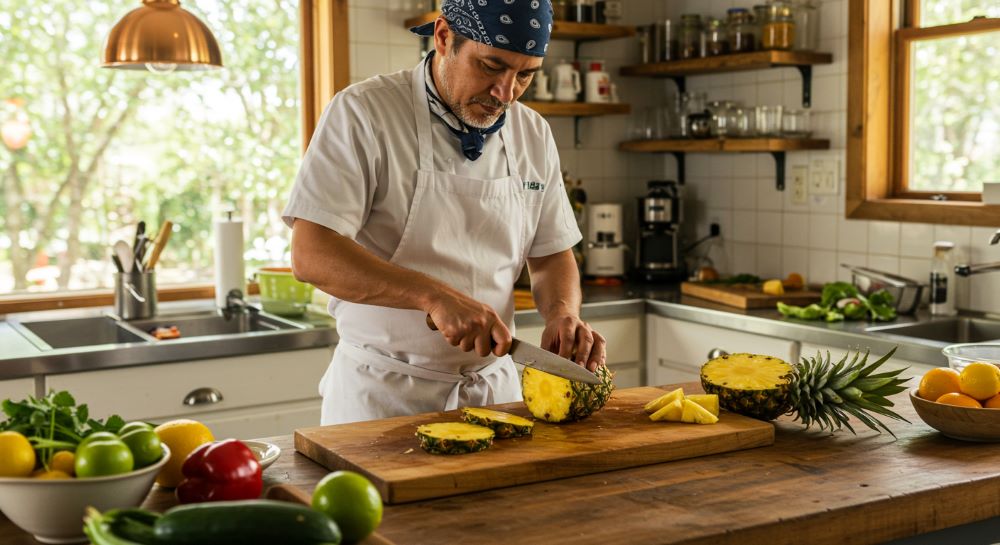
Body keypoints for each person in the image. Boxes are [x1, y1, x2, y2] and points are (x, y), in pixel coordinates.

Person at [282, 0, 606, 425]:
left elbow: (550, 255)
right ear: (443, 37)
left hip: (494, 397)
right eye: (490, 66)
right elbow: (312, 254)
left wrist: (563, 312)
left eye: (525, 75)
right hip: (383, 401)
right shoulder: (364, 112)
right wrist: (432, 296)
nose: (506, 93)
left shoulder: (533, 133)